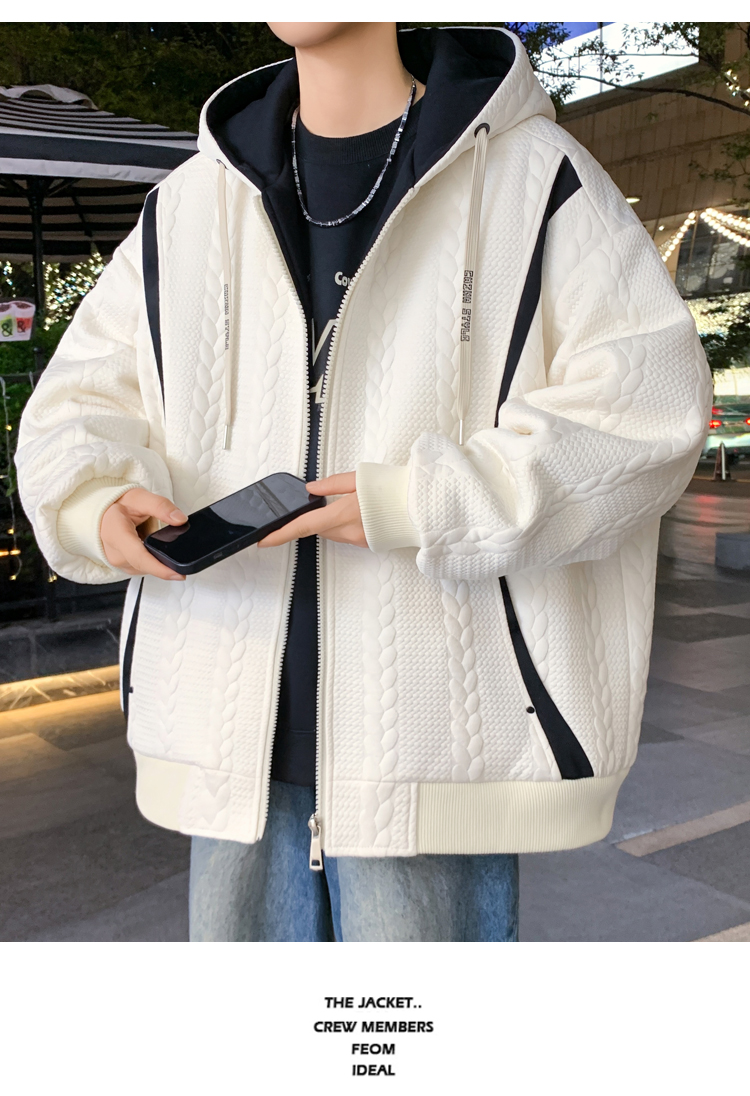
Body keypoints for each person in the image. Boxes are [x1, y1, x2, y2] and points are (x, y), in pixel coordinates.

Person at [16, 22, 711, 942]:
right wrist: (92, 497)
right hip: (222, 728)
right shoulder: (187, 203)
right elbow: (77, 403)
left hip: (439, 739)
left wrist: (427, 501)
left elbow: (647, 413)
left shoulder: (536, 177)